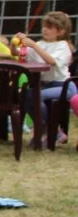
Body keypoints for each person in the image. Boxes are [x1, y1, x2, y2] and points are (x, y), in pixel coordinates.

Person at [16, 11, 76, 144]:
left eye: (49, 27)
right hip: (44, 84)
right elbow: (22, 55)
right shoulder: (41, 44)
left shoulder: (63, 46)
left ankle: (52, 131)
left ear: (60, 31)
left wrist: (34, 46)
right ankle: (49, 130)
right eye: (44, 26)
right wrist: (15, 45)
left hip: (63, 86)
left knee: (37, 96)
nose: (44, 29)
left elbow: (51, 61)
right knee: (27, 95)